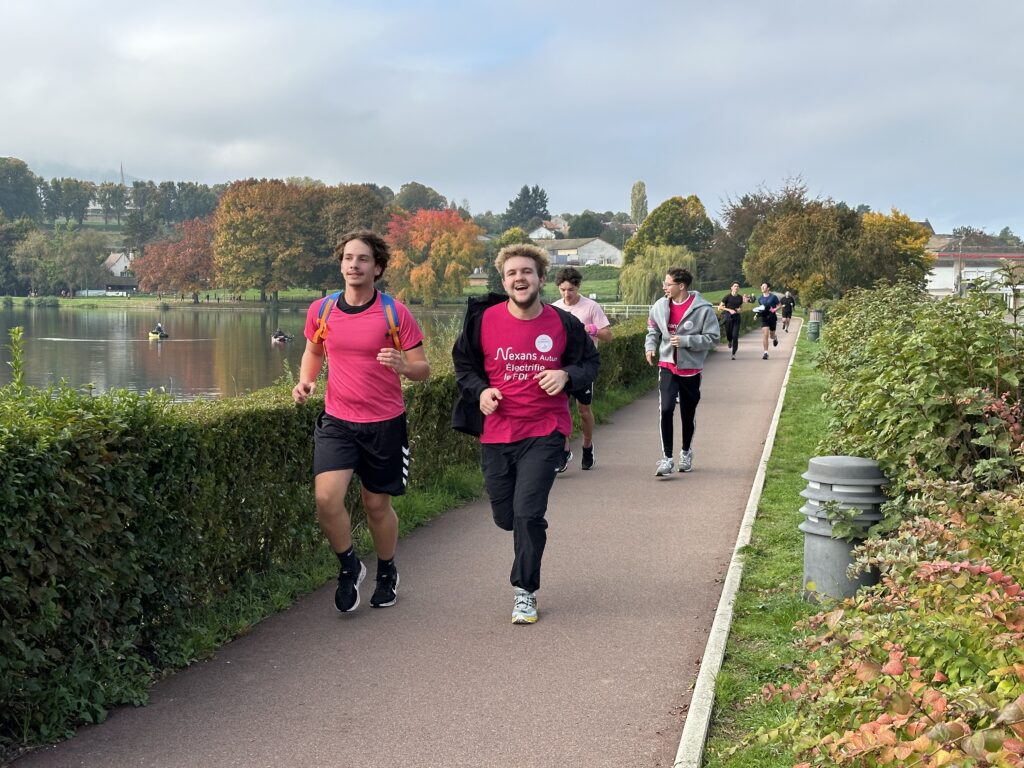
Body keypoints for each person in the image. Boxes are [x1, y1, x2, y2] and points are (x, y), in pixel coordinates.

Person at [452, 244, 599, 624]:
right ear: (504, 281)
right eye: (513, 273)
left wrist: (566, 375)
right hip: (497, 433)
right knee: (507, 517)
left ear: (541, 278)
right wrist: (481, 391)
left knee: (528, 513)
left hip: (545, 431)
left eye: (527, 272)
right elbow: (464, 366)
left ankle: (525, 591)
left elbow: (590, 362)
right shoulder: (482, 321)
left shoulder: (564, 324)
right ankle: (520, 542)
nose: (520, 278)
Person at [292, 230, 430, 614]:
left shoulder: (394, 312)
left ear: (378, 267)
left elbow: (423, 369)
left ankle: (387, 571)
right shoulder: (322, 310)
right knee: (325, 499)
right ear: (341, 265)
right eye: (349, 258)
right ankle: (349, 566)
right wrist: (306, 381)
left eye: (363, 259)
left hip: (385, 422)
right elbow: (313, 351)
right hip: (338, 420)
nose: (354, 265)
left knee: (376, 505)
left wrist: (405, 365)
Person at [645, 267, 720, 476]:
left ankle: (686, 452)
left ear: (681, 286)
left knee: (688, 414)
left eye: (668, 284)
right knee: (666, 409)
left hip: (690, 369)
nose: (664, 287)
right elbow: (653, 329)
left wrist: (687, 341)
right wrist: (650, 347)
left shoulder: (703, 309)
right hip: (667, 366)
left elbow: (714, 338)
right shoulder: (660, 306)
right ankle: (666, 459)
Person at [550, 266, 612, 471]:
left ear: (578, 287)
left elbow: (608, 336)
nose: (566, 294)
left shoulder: (591, 307)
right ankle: (564, 451)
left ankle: (587, 446)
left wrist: (591, 329)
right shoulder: (554, 308)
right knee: (560, 409)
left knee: (583, 411)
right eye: (563, 290)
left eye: (571, 290)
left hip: (584, 366)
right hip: (561, 366)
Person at [717, 281, 745, 359]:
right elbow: (720, 307)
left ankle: (733, 353)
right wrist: (729, 310)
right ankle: (729, 341)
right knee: (729, 334)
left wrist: (740, 310)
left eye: (738, 286)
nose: (736, 287)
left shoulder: (740, 297)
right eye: (735, 286)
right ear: (731, 288)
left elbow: (741, 308)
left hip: (736, 318)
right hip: (728, 318)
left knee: (735, 336)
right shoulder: (727, 297)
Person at [756, 282, 781, 359]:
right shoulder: (760, 299)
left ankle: (775, 337)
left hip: (772, 317)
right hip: (764, 318)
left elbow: (779, 305)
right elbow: (760, 308)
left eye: (764, 286)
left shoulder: (773, 297)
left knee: (771, 336)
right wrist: (756, 315)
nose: (762, 287)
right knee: (765, 334)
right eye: (761, 286)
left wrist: (775, 309)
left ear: (768, 288)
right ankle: (765, 353)